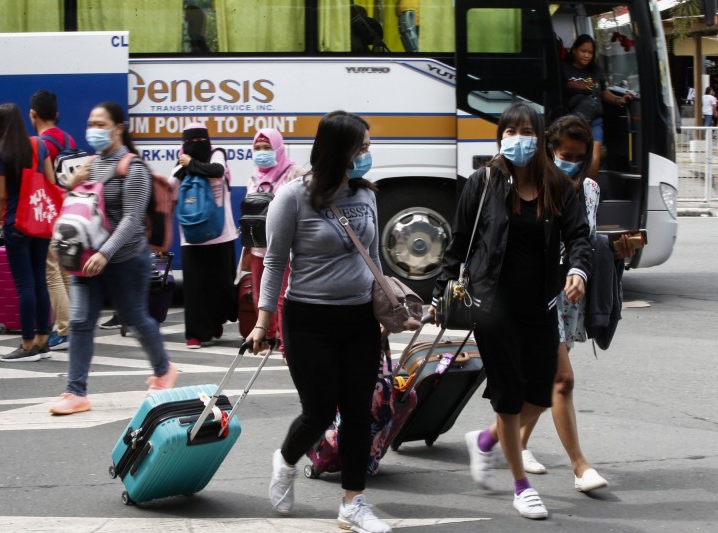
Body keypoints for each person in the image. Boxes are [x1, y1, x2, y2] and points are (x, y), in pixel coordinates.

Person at [431, 103, 591, 520]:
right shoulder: (483, 181)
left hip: (541, 302)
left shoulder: (556, 183)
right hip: (490, 301)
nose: (518, 137)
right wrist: (439, 292)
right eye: (510, 130)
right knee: (509, 390)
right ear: (500, 136)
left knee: (540, 391)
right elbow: (459, 240)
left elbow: (578, 235)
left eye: (526, 130)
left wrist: (577, 270)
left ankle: (485, 441)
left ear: (539, 136)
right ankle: (522, 486)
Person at [249, 111, 392, 533]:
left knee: (357, 414)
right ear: (339, 150)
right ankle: (287, 460)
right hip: (308, 318)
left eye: (368, 147)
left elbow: (376, 257)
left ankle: (353, 503)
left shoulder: (366, 195)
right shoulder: (292, 198)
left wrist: (382, 305)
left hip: (359, 319)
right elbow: (274, 264)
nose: (367, 155)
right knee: (318, 412)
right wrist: (262, 323)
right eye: (361, 148)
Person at [48, 102, 178, 415]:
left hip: (125, 258)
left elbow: (132, 218)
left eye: (100, 123)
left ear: (118, 127)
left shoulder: (133, 168)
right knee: (80, 322)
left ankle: (164, 370)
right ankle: (76, 392)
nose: (93, 128)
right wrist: (71, 184)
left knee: (134, 319)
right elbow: (78, 208)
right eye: (90, 122)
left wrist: (106, 253)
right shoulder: (89, 164)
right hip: (86, 256)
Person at [0, 103, 56, 363]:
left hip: (16, 224)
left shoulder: (1, 154)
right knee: (39, 282)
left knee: (25, 285)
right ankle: (43, 340)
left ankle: (26, 345)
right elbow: (51, 182)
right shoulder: (40, 145)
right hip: (40, 222)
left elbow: (0, 196)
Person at [170, 122, 236, 349]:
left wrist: (192, 164)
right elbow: (171, 189)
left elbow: (217, 171)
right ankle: (196, 334)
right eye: (191, 142)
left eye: (200, 141)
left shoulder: (217, 155)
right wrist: (184, 166)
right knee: (195, 288)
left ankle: (216, 321)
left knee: (222, 285)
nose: (196, 145)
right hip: (192, 235)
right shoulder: (180, 164)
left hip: (222, 234)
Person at [245, 128, 305, 355]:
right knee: (260, 295)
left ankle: (285, 344)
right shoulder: (254, 176)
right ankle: (268, 337)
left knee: (282, 297)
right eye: (258, 148)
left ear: (278, 148)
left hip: (283, 247)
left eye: (267, 147)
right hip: (258, 246)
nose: (262, 153)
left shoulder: (294, 173)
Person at [29, 89, 75, 351]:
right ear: (56, 115)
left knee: (51, 272)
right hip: (71, 210)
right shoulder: (67, 138)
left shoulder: (40, 143)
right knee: (67, 270)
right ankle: (73, 326)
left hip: (50, 214)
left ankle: (64, 330)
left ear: (33, 114)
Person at [561, 34, 632, 178]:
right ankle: (567, 193)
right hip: (571, 122)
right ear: (574, 50)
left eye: (590, 52)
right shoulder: (563, 68)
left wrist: (619, 100)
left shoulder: (596, 71)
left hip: (594, 121)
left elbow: (604, 93)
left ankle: (588, 195)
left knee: (594, 161)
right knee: (568, 161)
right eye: (583, 51)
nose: (587, 55)